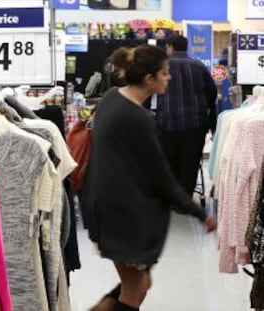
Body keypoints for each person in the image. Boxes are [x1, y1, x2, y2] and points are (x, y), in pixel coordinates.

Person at [82, 45, 217, 311]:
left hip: (105, 207)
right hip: (122, 216)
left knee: (140, 284)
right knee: (136, 289)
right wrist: (201, 214)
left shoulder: (111, 98)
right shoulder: (137, 119)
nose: (169, 78)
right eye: (165, 73)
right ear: (149, 79)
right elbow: (162, 179)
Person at [155, 34, 217, 196]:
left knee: (169, 162)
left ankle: (172, 198)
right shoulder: (199, 67)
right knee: (190, 163)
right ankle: (185, 199)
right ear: (186, 47)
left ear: (170, 47)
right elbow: (212, 94)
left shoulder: (162, 68)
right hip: (195, 126)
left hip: (167, 124)